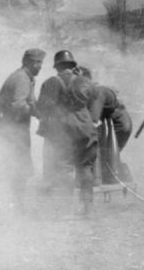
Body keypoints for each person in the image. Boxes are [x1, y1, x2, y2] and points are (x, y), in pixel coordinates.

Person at [37, 50, 98, 216]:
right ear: (73, 65)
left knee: (65, 168)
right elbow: (95, 100)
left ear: (57, 66)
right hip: (85, 128)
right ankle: (89, 208)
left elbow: (41, 107)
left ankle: (67, 209)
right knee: (86, 168)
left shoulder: (51, 83)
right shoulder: (85, 81)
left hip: (63, 130)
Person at [0, 48, 45, 213]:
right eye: (37, 63)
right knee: (18, 167)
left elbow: (31, 102)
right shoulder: (21, 79)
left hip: (14, 128)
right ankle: (16, 205)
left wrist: (41, 114)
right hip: (14, 130)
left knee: (19, 166)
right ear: (28, 63)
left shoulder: (26, 77)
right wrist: (34, 111)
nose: (40, 66)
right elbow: (19, 105)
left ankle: (16, 203)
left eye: (40, 63)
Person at [79, 66, 134, 183]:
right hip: (114, 125)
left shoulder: (97, 93)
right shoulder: (94, 92)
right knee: (107, 156)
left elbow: (93, 120)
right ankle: (118, 176)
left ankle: (116, 178)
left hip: (119, 125)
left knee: (104, 154)